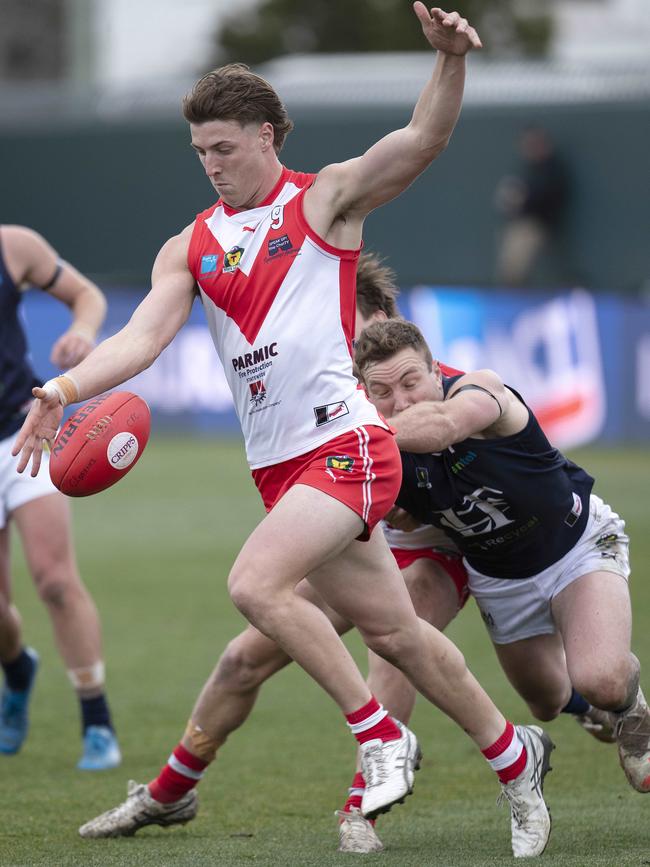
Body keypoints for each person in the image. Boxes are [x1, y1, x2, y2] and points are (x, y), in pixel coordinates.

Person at [15, 8, 553, 858]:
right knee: (398, 634)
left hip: (347, 443)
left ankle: (379, 735)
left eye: (224, 147)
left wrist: (449, 62)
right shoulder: (191, 244)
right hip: (280, 467)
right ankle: (515, 755)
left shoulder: (326, 199)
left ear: (266, 136)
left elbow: (421, 141)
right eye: (199, 152)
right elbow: (145, 337)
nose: (211, 165)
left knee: (255, 582)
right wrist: (63, 385)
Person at [353, 318, 650, 809]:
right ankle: (589, 707)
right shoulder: (390, 454)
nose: (402, 400)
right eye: (382, 392)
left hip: (575, 545)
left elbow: (443, 427)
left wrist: (358, 429)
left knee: (601, 677)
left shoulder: (479, 392)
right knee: (547, 701)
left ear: (435, 370)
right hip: (499, 577)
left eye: (411, 382)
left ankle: (630, 707)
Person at [0, 224, 121, 769]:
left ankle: (97, 722)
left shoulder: (13, 246)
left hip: (21, 431)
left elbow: (86, 295)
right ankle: (18, 670)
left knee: (54, 579)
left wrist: (83, 329)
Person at [494, 126, 571, 287]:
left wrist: (524, 198)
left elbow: (546, 196)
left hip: (540, 224)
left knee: (521, 245)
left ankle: (516, 292)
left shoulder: (553, 168)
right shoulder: (529, 168)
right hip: (523, 222)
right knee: (510, 254)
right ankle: (511, 291)